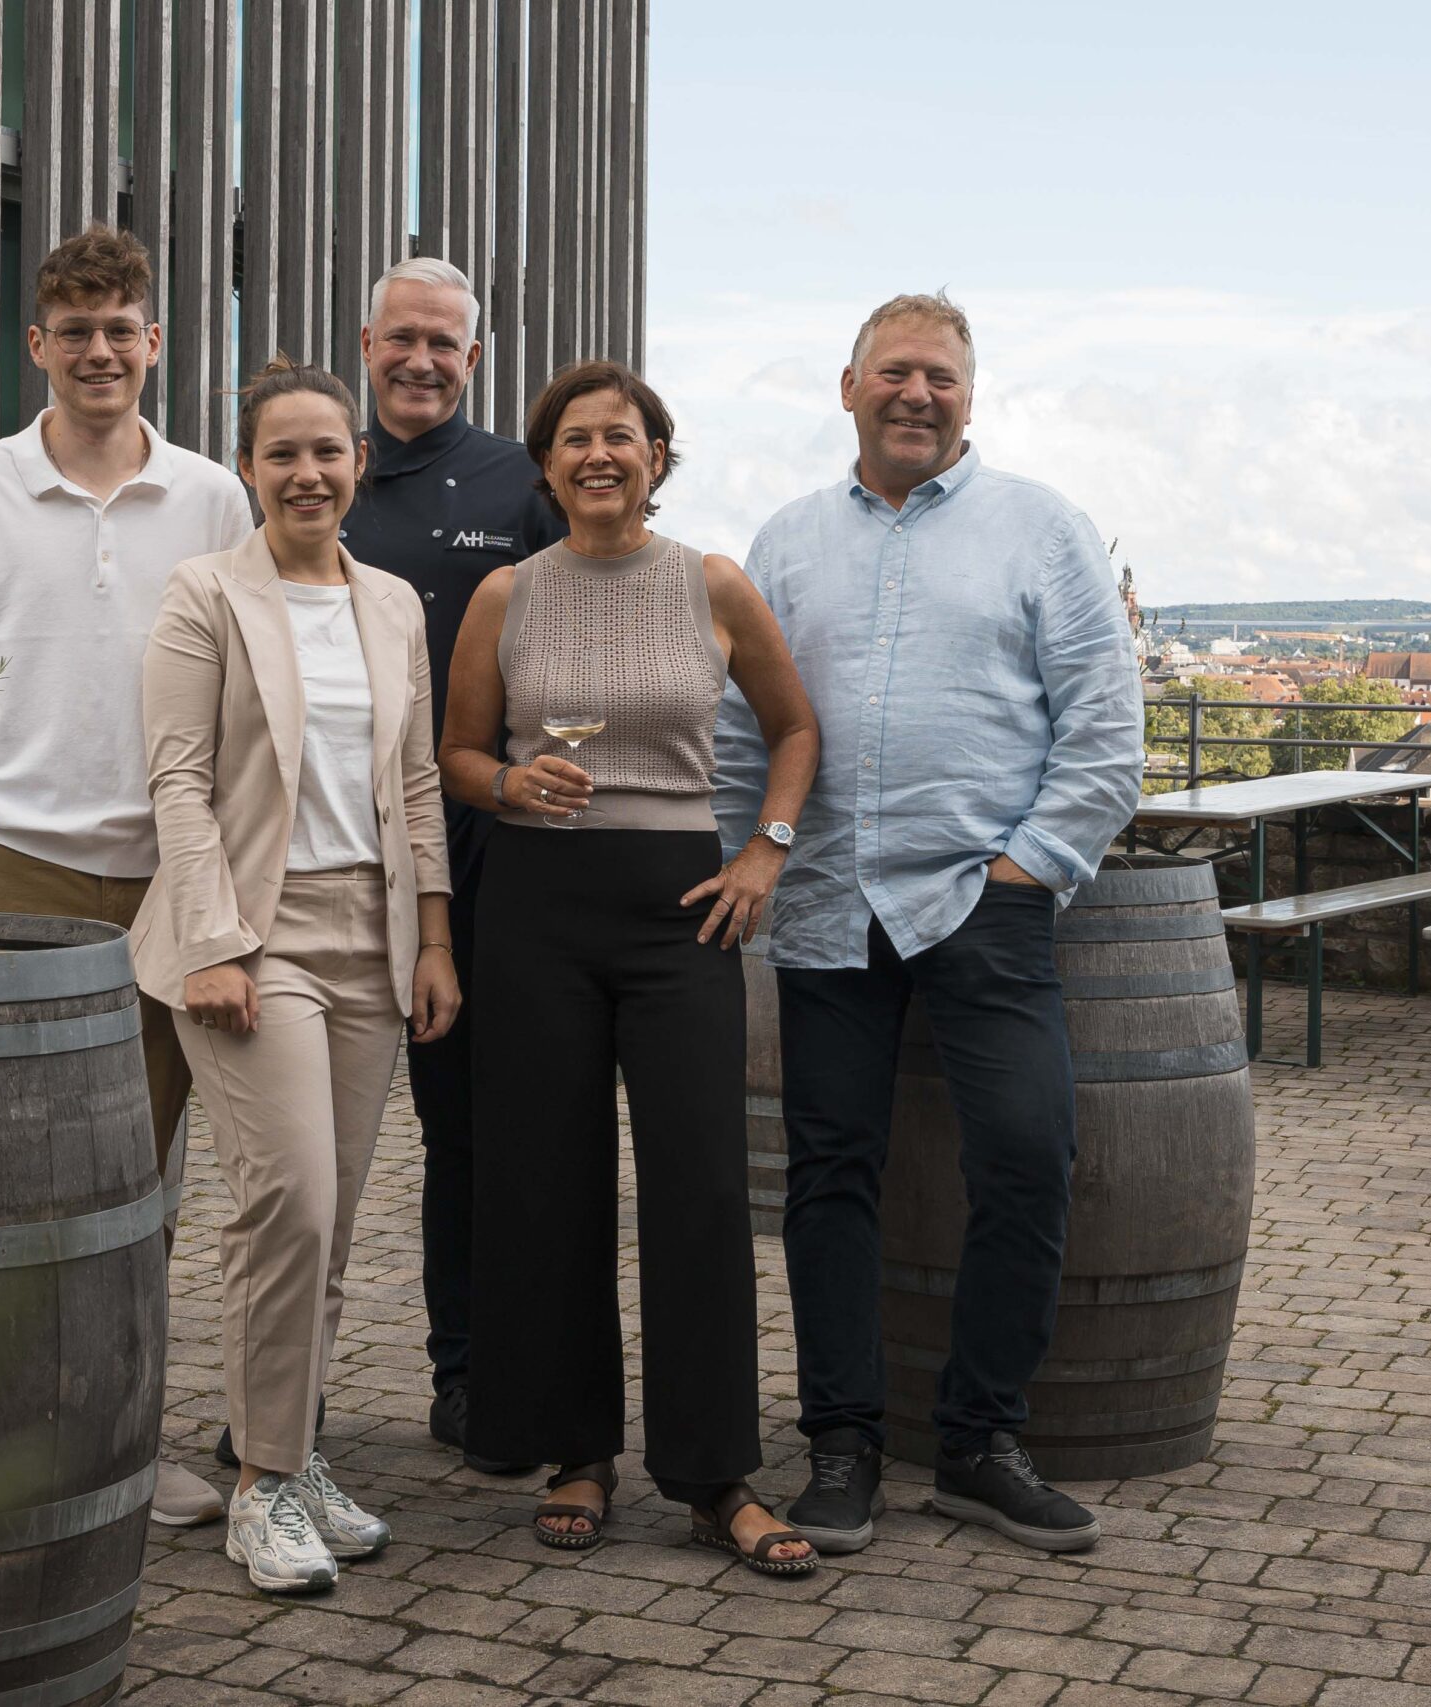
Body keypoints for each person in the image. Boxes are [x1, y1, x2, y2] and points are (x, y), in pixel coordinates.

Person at [713, 292, 1142, 1556]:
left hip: (982, 903)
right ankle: (843, 1446)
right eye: (893, 373)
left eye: (940, 377)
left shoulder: (1042, 531)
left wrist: (1027, 866)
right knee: (827, 1177)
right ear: (846, 387)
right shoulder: (784, 544)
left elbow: (1102, 732)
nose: (917, 394)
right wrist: (753, 858)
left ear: (971, 394)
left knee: (1025, 1159)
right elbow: (743, 730)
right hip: (829, 902)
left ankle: (976, 1442)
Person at [438, 361, 825, 1575]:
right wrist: (505, 783)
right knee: (547, 1189)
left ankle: (716, 1477)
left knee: (703, 1191)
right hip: (536, 915)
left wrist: (764, 849)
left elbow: (794, 728)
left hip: (680, 917)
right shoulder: (506, 593)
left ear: (658, 455)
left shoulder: (711, 583)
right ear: (545, 465)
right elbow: (453, 751)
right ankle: (576, 1455)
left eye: (621, 437)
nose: (597, 455)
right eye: (572, 440)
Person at [0, 224, 253, 1530]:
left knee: (132, 1184)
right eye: (75, 330)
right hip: (8, 864)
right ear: (37, 344)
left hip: (166, 876)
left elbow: (245, 689)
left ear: (154, 343)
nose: (100, 351)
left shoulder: (217, 498)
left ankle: (117, 1444)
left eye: (122, 328)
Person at [132, 358, 461, 1594]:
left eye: (327, 451)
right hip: (252, 944)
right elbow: (174, 778)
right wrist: (214, 941)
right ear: (249, 470)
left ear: (355, 463)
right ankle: (262, 1490)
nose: (308, 472)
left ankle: (293, 1450)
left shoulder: (391, 605)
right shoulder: (204, 592)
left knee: (326, 1237)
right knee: (292, 1211)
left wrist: (432, 938)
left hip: (368, 937)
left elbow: (416, 782)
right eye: (282, 454)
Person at [339, 257, 563, 1473]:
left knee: (466, 1134)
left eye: (445, 343)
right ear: (366, 344)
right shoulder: (325, 472)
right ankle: (285, 1386)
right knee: (304, 1138)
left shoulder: (520, 487)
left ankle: (468, 1372)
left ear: (474, 361)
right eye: (401, 339)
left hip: (478, 865)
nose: (421, 360)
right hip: (327, 855)